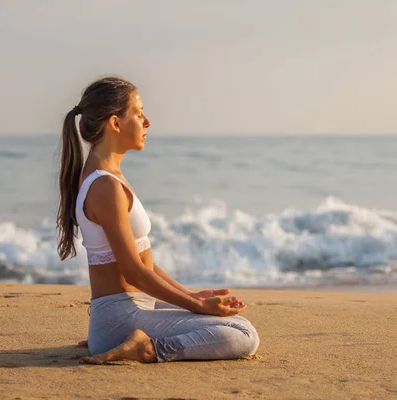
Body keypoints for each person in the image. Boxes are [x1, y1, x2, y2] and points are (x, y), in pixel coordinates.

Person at [56, 76, 259, 364]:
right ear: (115, 123)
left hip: (129, 311)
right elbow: (134, 273)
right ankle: (147, 348)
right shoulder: (105, 187)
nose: (147, 122)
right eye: (138, 114)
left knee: (231, 323)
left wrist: (190, 295)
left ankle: (126, 337)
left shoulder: (108, 178)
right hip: (122, 317)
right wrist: (198, 306)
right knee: (243, 333)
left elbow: (140, 261)